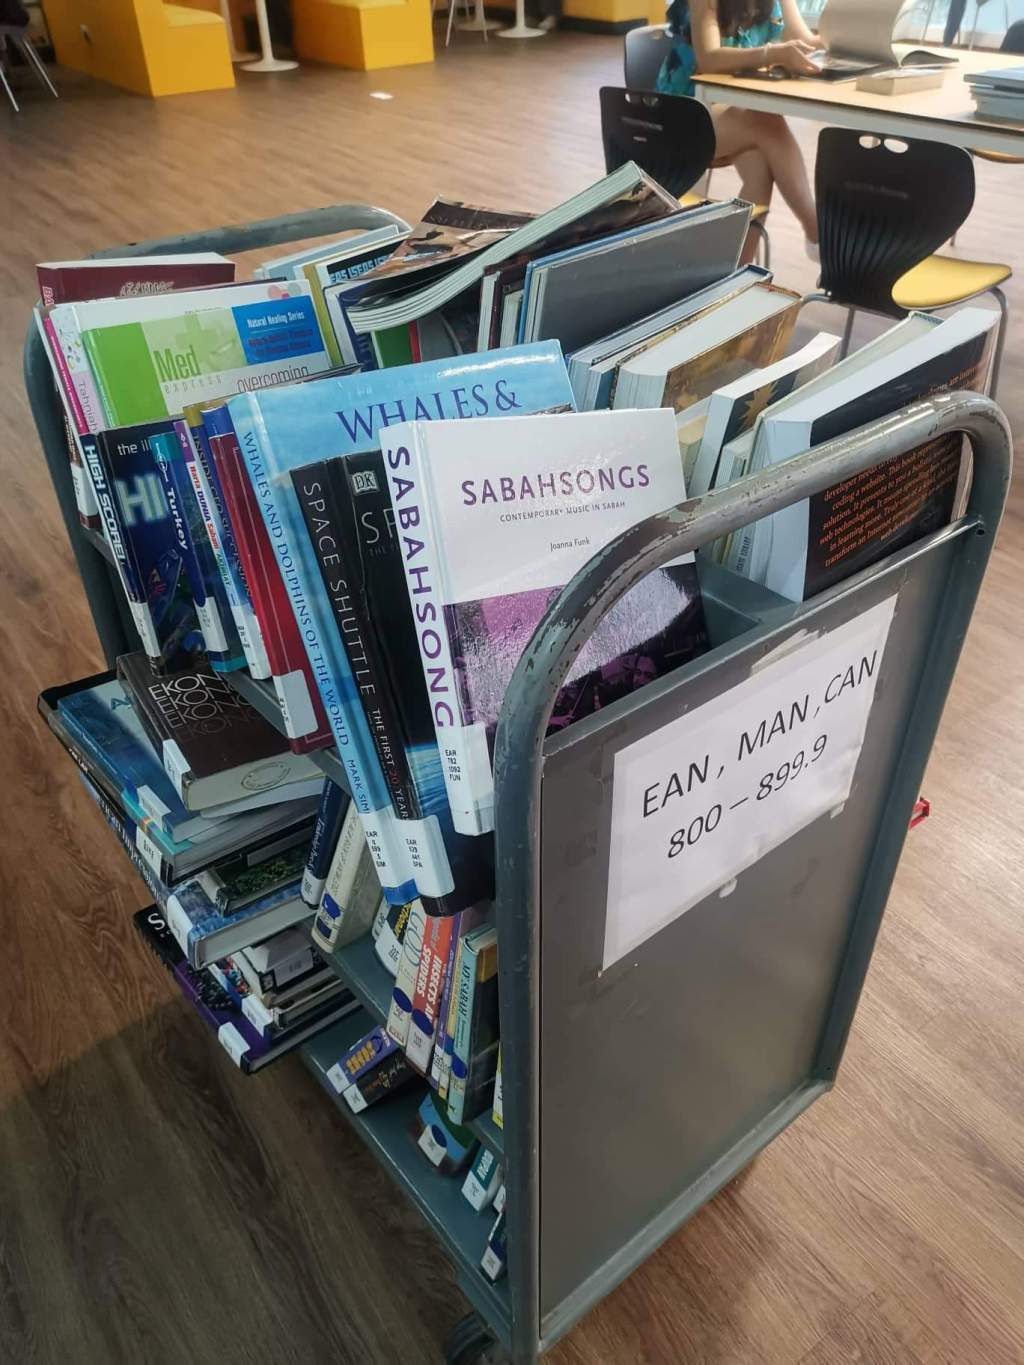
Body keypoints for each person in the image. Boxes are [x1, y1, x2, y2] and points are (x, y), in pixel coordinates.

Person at [656, 0, 822, 260]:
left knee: (760, 163)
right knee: (765, 121)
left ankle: (738, 271)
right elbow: (709, 58)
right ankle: (819, 234)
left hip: (727, 111)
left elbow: (806, 41)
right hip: (680, 114)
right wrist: (773, 54)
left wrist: (854, 39)